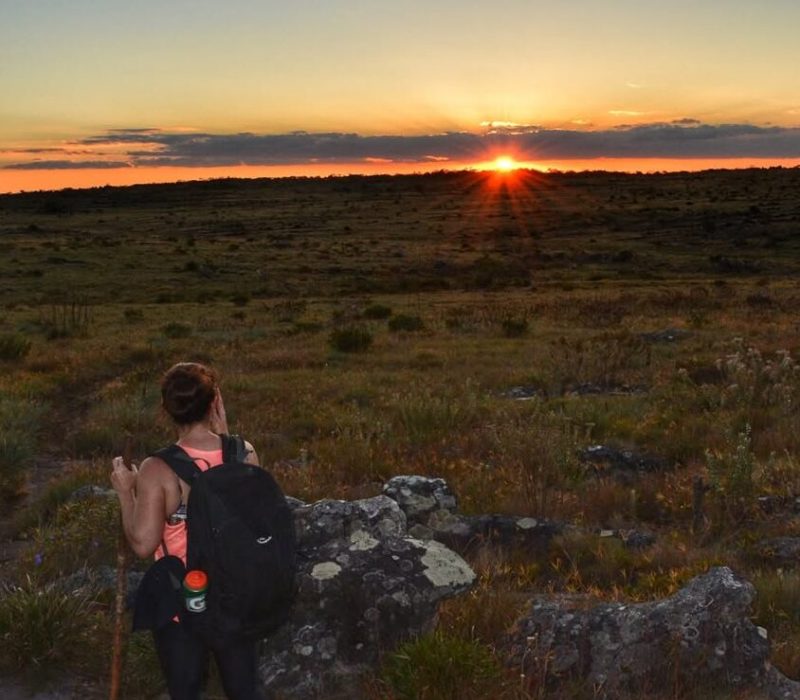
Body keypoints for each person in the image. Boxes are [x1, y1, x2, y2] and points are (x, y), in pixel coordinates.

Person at [110, 362, 262, 700]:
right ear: (214, 403)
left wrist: (125, 493)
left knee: (185, 690)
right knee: (245, 691)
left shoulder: (157, 469)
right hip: (235, 596)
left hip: (183, 599)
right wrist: (226, 437)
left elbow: (143, 544)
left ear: (166, 408)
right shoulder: (245, 453)